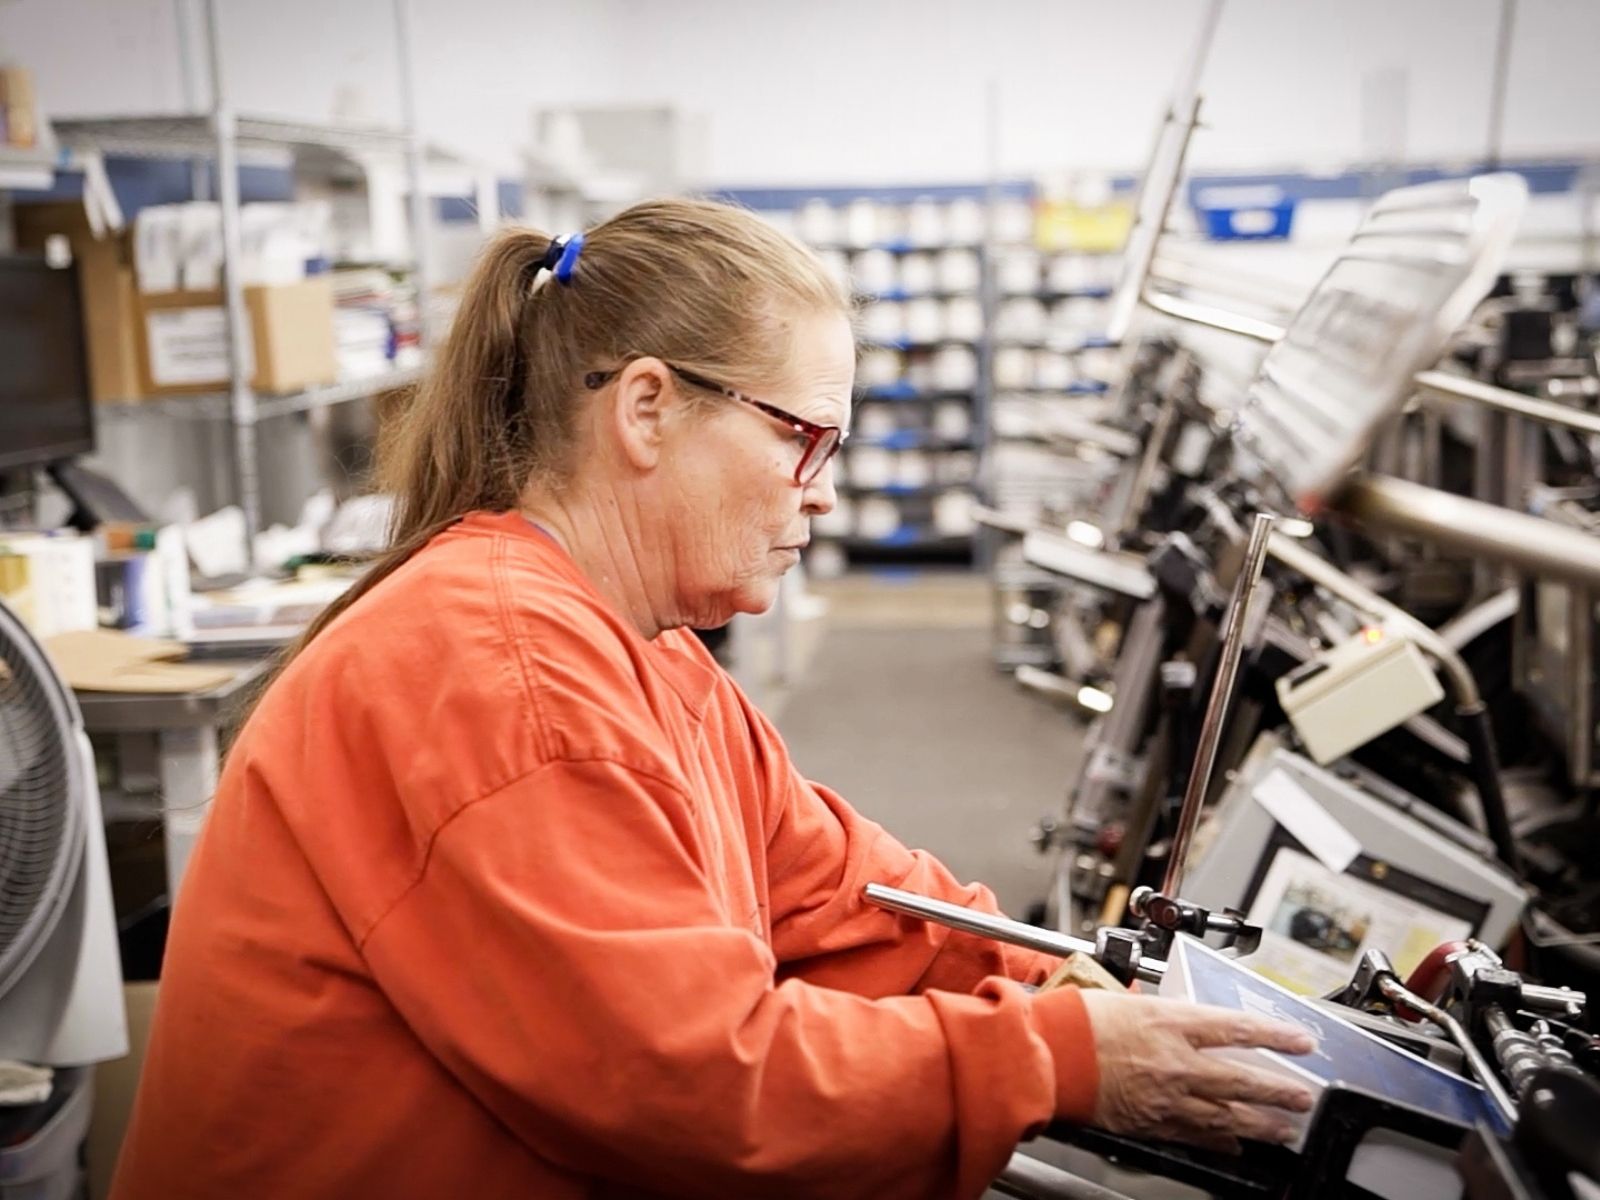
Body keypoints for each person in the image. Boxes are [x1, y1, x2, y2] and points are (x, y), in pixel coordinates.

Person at [112, 199, 1314, 1200]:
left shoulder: (643, 648)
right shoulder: (502, 674)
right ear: (645, 409)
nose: (824, 495)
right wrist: (1051, 1059)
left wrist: (1049, 978)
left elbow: (843, 891)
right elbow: (685, 1083)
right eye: (804, 440)